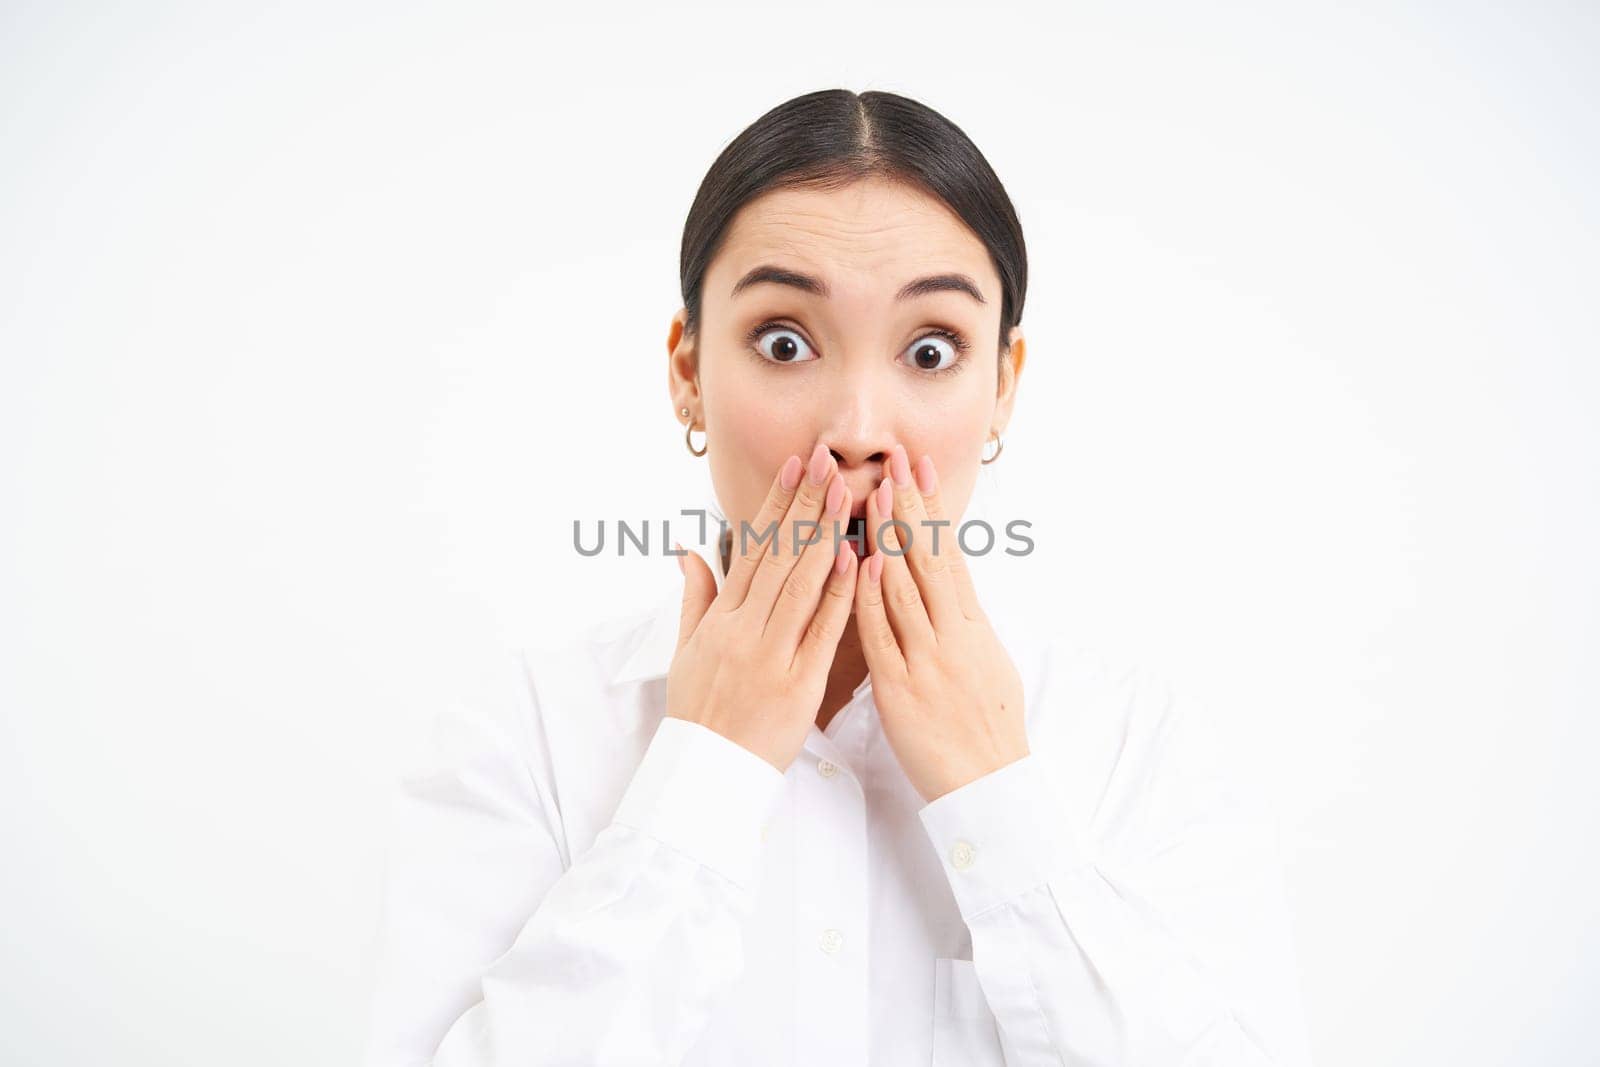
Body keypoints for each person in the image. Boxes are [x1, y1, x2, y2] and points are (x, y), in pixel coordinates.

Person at [360, 88, 1315, 1066]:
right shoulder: (524, 741)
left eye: (931, 349)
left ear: (1003, 386)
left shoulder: (1134, 749)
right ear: (688, 369)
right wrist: (705, 770)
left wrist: (993, 792)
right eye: (785, 341)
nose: (856, 428)